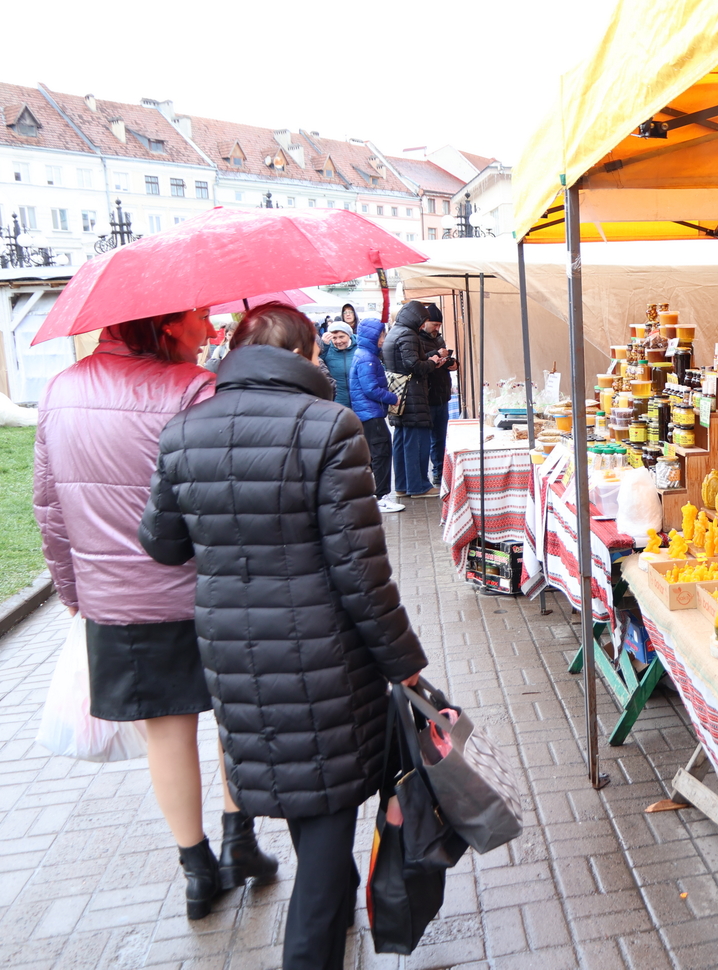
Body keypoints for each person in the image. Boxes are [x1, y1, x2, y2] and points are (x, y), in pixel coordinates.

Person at [138, 303, 427, 970]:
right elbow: (361, 572)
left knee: (310, 807)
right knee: (323, 843)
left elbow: (161, 543)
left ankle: (336, 911)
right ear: (302, 355)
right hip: (322, 661)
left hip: (235, 656)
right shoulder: (330, 427)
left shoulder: (184, 430)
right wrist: (404, 664)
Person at [33, 309, 277, 921]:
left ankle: (197, 872)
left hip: (116, 602)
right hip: (207, 589)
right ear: (168, 326)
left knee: (166, 732)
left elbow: (49, 504)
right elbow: (232, 493)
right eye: (200, 317)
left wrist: (73, 592)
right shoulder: (194, 389)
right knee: (232, 718)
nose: (211, 327)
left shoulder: (61, 390)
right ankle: (239, 841)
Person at [383, 299, 446, 498]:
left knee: (402, 440)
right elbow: (414, 365)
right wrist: (432, 362)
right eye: (423, 321)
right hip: (413, 394)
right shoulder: (408, 334)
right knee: (416, 441)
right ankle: (419, 486)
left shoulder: (394, 331)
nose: (422, 325)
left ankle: (402, 485)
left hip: (399, 392)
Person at [351, 317, 405, 514]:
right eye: (381, 334)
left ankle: (374, 495)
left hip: (367, 412)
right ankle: (381, 497)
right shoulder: (367, 358)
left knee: (375, 453)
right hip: (370, 412)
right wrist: (393, 398)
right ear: (373, 336)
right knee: (381, 452)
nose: (383, 338)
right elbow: (371, 389)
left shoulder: (364, 354)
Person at [419, 303, 458, 488]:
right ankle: (433, 473)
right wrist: (435, 354)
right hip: (428, 395)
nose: (437, 328)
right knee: (431, 438)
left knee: (441, 437)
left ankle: (440, 472)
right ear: (425, 322)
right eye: (434, 324)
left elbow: (446, 360)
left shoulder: (439, 339)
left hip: (442, 394)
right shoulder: (417, 339)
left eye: (439, 325)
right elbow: (418, 362)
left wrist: (453, 363)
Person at [318, 320, 357, 408]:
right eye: (334, 338)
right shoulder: (327, 349)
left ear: (349, 335)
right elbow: (318, 366)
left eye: (341, 337)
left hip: (359, 399)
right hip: (338, 400)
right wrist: (323, 347)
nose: (338, 341)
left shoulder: (359, 347)